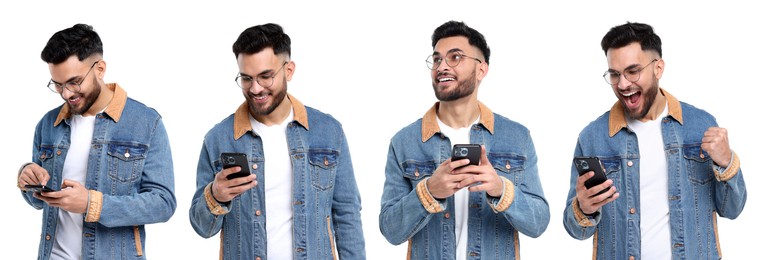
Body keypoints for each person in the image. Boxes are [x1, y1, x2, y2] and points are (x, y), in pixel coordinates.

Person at [562, 22, 747, 260]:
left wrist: (727, 163)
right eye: (615, 74)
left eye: (633, 71)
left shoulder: (701, 125)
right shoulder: (593, 138)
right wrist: (583, 209)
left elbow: (732, 209)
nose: (623, 84)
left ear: (658, 68)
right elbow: (576, 231)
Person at [188, 23, 366, 260]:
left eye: (266, 76)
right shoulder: (218, 139)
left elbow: (347, 215)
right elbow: (203, 228)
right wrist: (215, 195)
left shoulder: (328, 131)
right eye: (246, 78)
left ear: (289, 70)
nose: (255, 88)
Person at [379, 20, 550, 259]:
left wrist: (501, 189)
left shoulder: (517, 137)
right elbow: (390, 230)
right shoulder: (404, 141)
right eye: (437, 59)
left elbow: (538, 223)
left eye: (455, 57)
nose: (442, 67)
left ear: (481, 69)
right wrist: (429, 191)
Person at [16, 24, 176, 260]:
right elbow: (38, 202)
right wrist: (27, 177)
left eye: (74, 82)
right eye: (58, 85)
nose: (66, 94)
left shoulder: (146, 122)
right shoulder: (47, 124)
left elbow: (163, 203)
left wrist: (92, 204)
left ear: (100, 69)